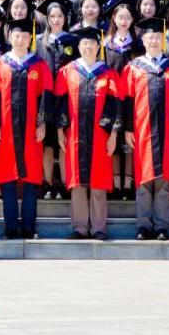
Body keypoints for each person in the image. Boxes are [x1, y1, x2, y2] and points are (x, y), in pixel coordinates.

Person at [121, 17, 169, 240]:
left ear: (163, 40)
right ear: (143, 40)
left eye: (157, 37)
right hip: (141, 130)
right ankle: (143, 226)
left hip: (167, 130)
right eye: (149, 37)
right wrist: (128, 129)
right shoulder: (133, 68)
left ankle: (161, 226)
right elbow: (127, 100)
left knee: (163, 179)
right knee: (143, 178)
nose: (153, 41)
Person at [55, 27, 122, 240]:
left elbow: (116, 104)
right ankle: (80, 227)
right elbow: (60, 102)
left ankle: (98, 228)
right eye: (84, 43)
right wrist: (60, 130)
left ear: (98, 46)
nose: (88, 47)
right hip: (75, 134)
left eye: (92, 43)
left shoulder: (107, 72)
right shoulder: (68, 71)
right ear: (78, 46)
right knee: (77, 182)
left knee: (99, 181)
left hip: (101, 135)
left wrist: (114, 135)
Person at [0, 21, 54, 239]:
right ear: (10, 38)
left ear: (30, 39)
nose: (20, 40)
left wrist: (42, 123)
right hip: (6, 130)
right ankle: (10, 227)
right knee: (7, 179)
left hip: (31, 130)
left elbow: (45, 95)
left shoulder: (39, 64)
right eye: (16, 36)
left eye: (25, 36)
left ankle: (28, 227)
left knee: (31, 179)